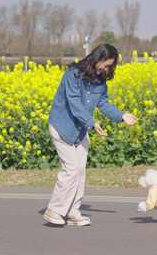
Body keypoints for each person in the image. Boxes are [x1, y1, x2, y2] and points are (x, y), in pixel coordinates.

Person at [43, 43, 137, 226]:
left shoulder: (100, 82)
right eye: (106, 64)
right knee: (71, 170)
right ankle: (54, 210)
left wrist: (122, 115)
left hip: (80, 130)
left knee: (80, 172)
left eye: (110, 66)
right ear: (97, 58)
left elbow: (103, 103)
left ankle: (72, 211)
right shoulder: (73, 74)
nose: (106, 68)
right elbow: (74, 103)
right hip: (62, 126)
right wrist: (92, 123)